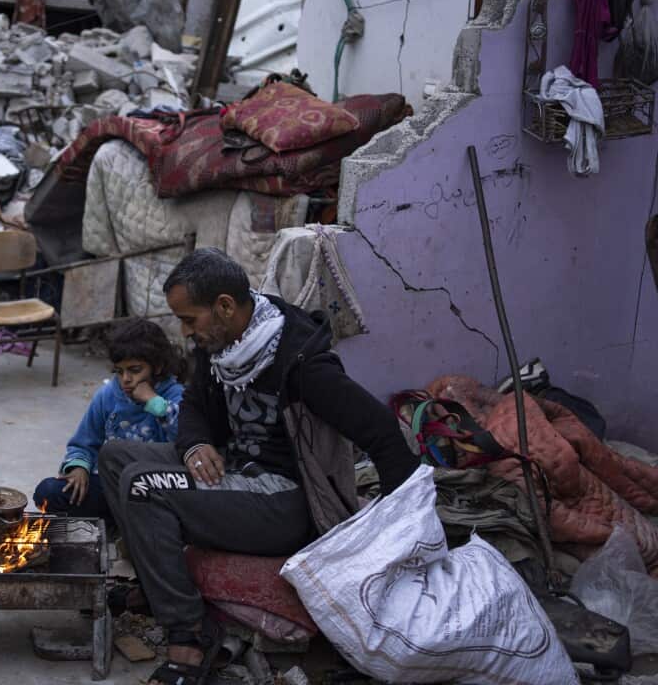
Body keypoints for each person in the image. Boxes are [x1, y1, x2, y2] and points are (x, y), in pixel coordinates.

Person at [99, 248, 418, 685]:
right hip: (232, 472)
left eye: (190, 320)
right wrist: (195, 445)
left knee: (143, 483)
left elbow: (384, 434)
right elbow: (193, 405)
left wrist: (404, 534)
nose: (184, 331)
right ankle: (159, 587)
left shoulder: (302, 365)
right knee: (115, 455)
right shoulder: (221, 348)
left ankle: (189, 637)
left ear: (225, 307)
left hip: (282, 501)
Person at [32, 318, 184, 520]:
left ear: (157, 367)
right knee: (48, 492)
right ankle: (119, 522)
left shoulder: (176, 395)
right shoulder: (108, 395)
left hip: (156, 492)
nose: (126, 380)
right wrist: (79, 467)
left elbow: (186, 442)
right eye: (119, 371)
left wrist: (154, 403)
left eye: (135, 370)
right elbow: (83, 443)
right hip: (112, 489)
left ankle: (131, 526)